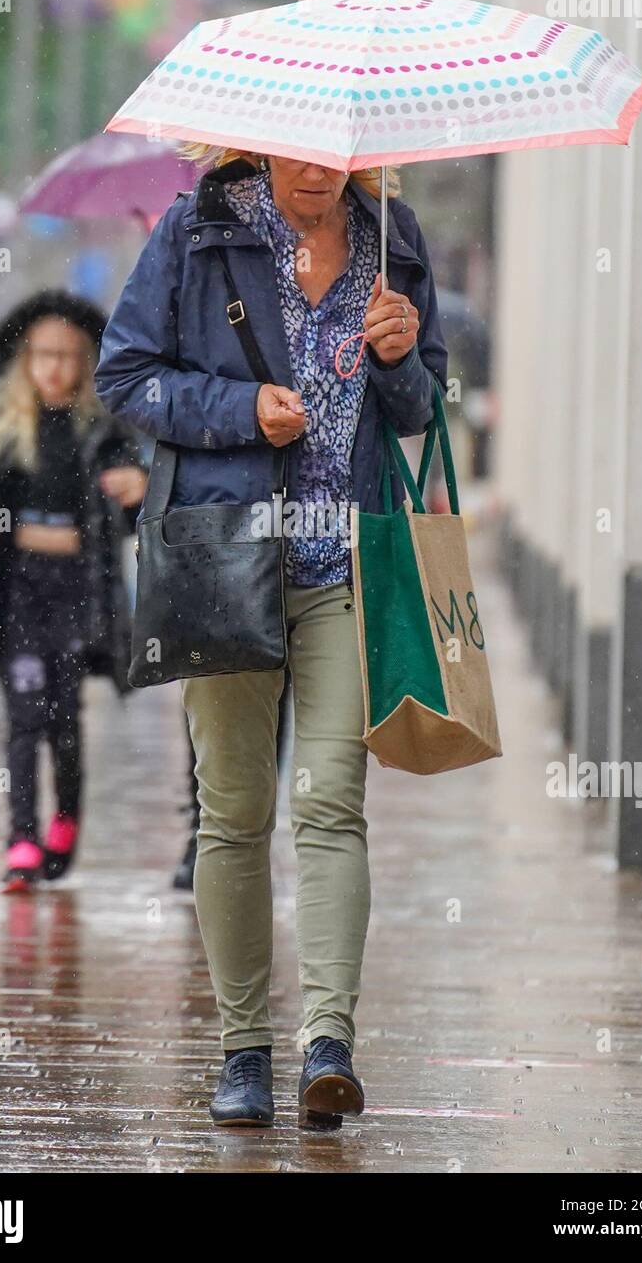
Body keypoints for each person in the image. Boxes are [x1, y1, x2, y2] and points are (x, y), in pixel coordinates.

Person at [95, 151, 448, 1131]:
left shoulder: (392, 240)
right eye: (298, 158)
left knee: (330, 799)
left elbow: (421, 413)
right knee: (235, 807)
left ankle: (326, 1046)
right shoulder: (196, 231)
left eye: (335, 160)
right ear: (256, 142)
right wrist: (240, 409)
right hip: (226, 557)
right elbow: (124, 376)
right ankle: (241, 1047)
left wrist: (398, 355)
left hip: (345, 567)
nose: (316, 174)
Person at [0, 291, 146, 893]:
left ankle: (67, 814)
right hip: (17, 592)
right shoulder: (1, 434)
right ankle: (21, 836)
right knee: (24, 716)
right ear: (24, 359)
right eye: (44, 354)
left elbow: (134, 524)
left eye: (71, 356)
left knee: (65, 719)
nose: (56, 368)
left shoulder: (106, 435)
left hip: (78, 593)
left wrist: (139, 493)